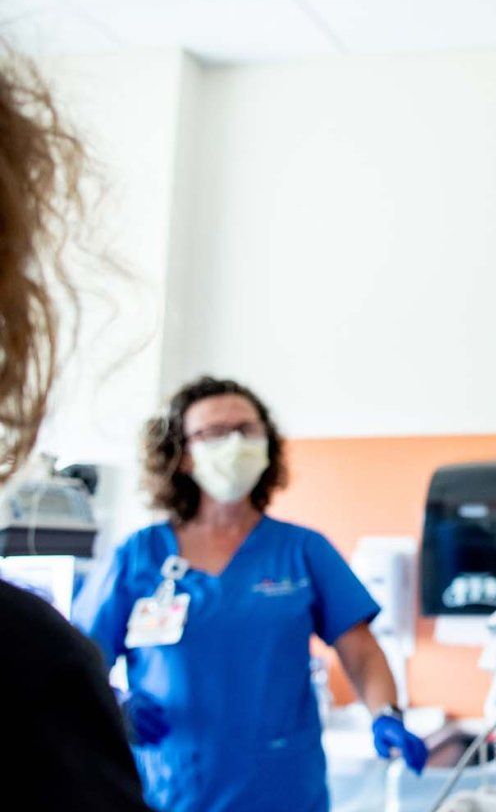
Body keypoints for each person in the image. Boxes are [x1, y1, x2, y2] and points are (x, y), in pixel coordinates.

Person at [72, 375, 428, 812]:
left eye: (247, 429)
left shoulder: (302, 550)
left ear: (267, 444)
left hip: (282, 790)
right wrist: (116, 706)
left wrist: (386, 714)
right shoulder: (138, 555)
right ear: (183, 455)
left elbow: (362, 652)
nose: (234, 443)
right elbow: (78, 663)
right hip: (171, 788)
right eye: (215, 433)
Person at [0, 54, 151, 809]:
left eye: (246, 431)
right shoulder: (28, 670)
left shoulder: (33, 669)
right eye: (214, 432)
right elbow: (102, 639)